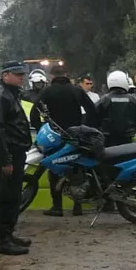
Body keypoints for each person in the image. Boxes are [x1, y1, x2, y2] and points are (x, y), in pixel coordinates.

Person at [31, 65, 96, 217]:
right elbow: (92, 110)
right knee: (77, 168)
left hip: (54, 136)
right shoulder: (77, 90)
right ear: (66, 74)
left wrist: (41, 129)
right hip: (75, 136)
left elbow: (34, 113)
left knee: (54, 170)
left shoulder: (47, 91)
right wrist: (86, 128)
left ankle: (57, 207)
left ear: (51, 76)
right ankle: (77, 206)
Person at [0, 61, 33, 255]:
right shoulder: (0, 96)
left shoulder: (11, 94)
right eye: (17, 74)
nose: (22, 77)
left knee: (14, 197)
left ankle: (9, 234)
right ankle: (3, 241)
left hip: (16, 152)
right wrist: (5, 160)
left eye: (22, 74)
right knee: (7, 197)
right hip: (8, 154)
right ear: (5, 76)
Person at [93, 70, 136, 147]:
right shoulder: (133, 100)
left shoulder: (104, 99)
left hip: (108, 138)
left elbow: (94, 117)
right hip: (127, 138)